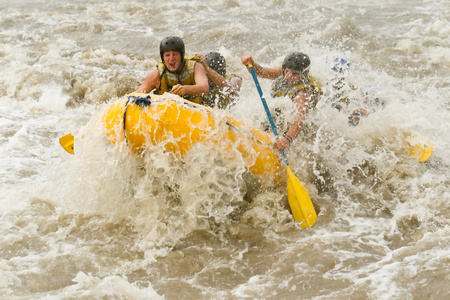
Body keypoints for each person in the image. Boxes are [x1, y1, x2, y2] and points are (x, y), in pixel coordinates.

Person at [241, 52, 322, 150]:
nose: (289, 76)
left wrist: (287, 139)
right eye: (287, 72)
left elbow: (299, 120)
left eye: (295, 74)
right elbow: (261, 71)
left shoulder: (303, 93)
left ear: (304, 75)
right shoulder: (282, 72)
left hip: (304, 123)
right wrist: (251, 64)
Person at [135, 36, 209, 104]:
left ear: (181, 56)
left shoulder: (195, 67)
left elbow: (205, 88)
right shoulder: (156, 75)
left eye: (175, 54)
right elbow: (135, 95)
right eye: (167, 55)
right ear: (163, 57)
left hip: (196, 109)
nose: (171, 59)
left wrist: (185, 89)